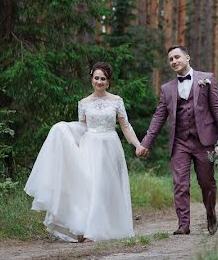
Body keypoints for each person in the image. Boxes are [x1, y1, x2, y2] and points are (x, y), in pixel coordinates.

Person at [24, 61, 142, 242]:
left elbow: (125, 126)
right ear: (91, 79)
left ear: (108, 82)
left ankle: (105, 228)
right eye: (96, 78)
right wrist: (63, 131)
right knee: (91, 187)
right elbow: (82, 127)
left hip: (110, 146)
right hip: (90, 147)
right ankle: (87, 230)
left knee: (106, 188)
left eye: (103, 79)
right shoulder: (84, 103)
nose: (99, 82)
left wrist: (137, 145)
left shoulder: (117, 101)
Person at [136, 45, 218, 235]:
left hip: (204, 141)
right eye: (171, 59)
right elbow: (158, 117)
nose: (174, 61)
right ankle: (183, 224)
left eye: (177, 57)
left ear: (187, 57)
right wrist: (145, 143)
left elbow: (217, 109)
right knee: (180, 183)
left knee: (207, 183)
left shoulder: (206, 79)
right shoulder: (167, 89)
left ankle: (211, 213)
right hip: (180, 142)